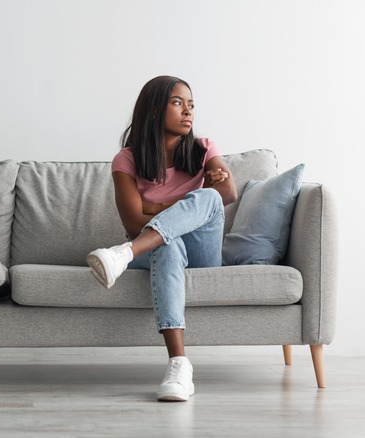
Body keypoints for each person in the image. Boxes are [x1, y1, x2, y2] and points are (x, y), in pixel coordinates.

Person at [86, 76, 237, 402]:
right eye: (178, 103)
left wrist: (157, 205)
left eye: (191, 105)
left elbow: (226, 192)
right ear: (154, 110)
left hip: (201, 252)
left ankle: (122, 254)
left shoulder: (203, 149)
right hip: (155, 250)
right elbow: (132, 219)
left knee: (208, 199)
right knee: (167, 243)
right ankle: (179, 366)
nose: (188, 112)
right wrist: (184, 205)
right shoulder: (127, 159)